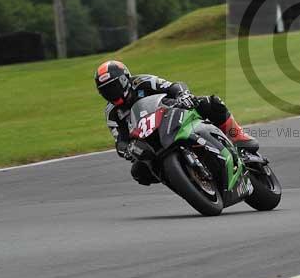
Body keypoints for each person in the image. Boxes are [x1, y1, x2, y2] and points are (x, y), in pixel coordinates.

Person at [94, 60, 259, 186]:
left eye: (114, 87)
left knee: (211, 103)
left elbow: (173, 86)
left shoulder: (143, 82)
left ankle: (237, 135)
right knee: (139, 172)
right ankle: (184, 181)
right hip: (151, 142)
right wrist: (127, 149)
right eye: (106, 91)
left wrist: (182, 95)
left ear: (124, 79)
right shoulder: (112, 113)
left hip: (173, 115)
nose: (112, 93)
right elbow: (120, 140)